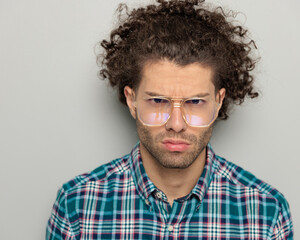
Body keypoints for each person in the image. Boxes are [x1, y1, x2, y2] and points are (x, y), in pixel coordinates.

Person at [46, 0, 294, 239]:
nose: (176, 123)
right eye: (158, 101)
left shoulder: (266, 212)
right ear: (132, 101)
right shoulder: (76, 205)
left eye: (195, 102)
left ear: (218, 102)